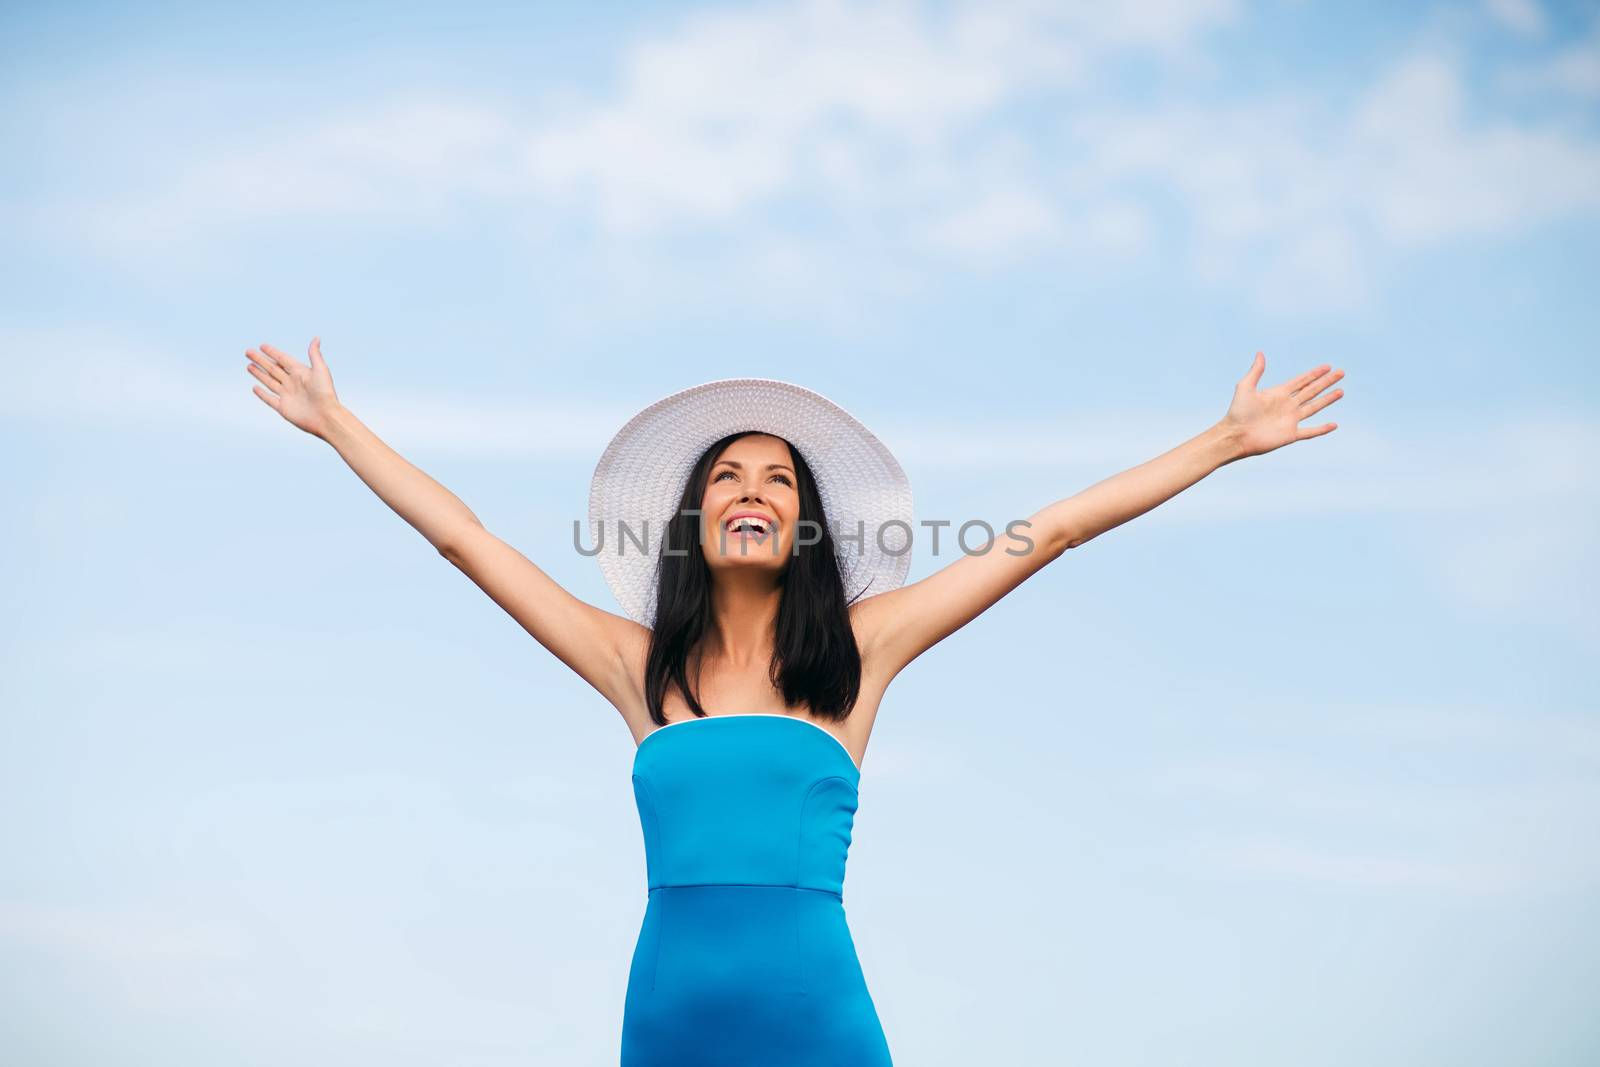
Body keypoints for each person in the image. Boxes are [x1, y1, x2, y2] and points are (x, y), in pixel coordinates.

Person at [245, 340, 1345, 1065]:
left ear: (806, 524)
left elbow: (1047, 529)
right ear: (695, 521)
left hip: (817, 1018)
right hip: (668, 1014)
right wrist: (337, 424)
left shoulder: (866, 649)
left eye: (778, 478)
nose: (753, 490)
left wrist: (1223, 441)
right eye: (727, 476)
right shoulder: (638, 668)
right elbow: (464, 539)